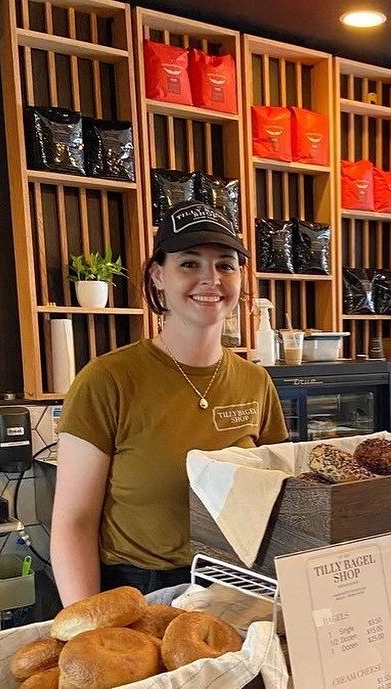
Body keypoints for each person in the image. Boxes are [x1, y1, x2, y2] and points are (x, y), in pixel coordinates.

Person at [51, 201, 288, 605]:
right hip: (140, 590)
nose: (210, 279)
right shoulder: (108, 380)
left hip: (237, 585)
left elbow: (281, 500)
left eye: (225, 265)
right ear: (159, 276)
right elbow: (74, 523)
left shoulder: (255, 381)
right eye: (190, 264)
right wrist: (87, 627)